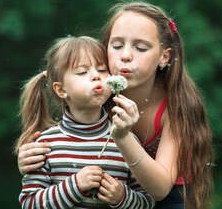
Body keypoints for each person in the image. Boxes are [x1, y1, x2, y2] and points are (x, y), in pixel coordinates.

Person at [18, 0, 214, 209]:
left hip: (169, 197)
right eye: (117, 45)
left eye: (140, 48)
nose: (126, 55)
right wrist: (32, 160)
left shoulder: (177, 105)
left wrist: (122, 137)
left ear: (164, 57)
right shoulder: (99, 92)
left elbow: (159, 190)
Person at [15, 36, 155, 208]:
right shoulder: (45, 145)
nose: (96, 76)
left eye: (103, 70)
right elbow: (29, 204)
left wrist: (122, 197)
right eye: (82, 72)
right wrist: (74, 186)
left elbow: (148, 201)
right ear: (61, 89)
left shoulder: (126, 140)